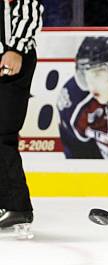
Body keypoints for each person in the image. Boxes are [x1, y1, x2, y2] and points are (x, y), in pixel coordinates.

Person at [0, 0, 43, 233]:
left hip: (11, 59)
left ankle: (17, 207)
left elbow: (30, 7)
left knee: (2, 133)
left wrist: (15, 48)